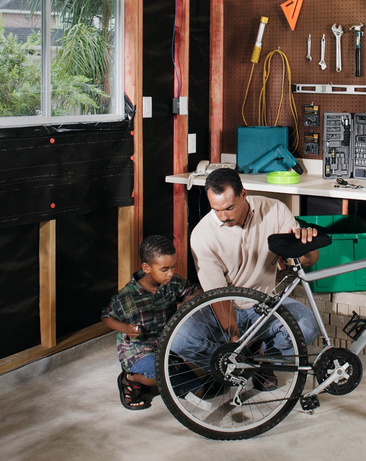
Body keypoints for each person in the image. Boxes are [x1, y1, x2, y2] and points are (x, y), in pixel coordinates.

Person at [168, 168, 322, 393]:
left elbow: (308, 261)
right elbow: (218, 294)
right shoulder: (202, 235)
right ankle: (223, 368)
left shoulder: (275, 210)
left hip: (265, 304)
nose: (223, 217)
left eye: (229, 208)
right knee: (179, 338)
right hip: (222, 305)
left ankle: (263, 364)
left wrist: (307, 244)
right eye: (216, 209)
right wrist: (234, 339)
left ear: (243, 194)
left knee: (307, 326)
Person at [102, 235, 197, 410]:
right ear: (146, 268)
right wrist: (125, 328)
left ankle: (167, 372)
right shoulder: (127, 295)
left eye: (173, 267)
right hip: (137, 348)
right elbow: (106, 316)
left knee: (199, 389)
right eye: (164, 269)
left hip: (165, 345)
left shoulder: (174, 283)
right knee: (158, 374)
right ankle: (130, 378)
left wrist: (186, 302)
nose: (171, 273)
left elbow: (196, 292)